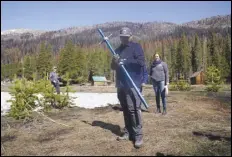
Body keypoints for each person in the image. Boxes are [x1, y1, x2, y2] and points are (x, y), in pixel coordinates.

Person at [111, 27, 145, 148]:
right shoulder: (117, 50)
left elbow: (141, 62)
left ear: (130, 36)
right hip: (121, 84)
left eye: (126, 37)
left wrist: (125, 61)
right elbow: (113, 67)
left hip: (133, 84)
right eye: (122, 37)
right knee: (125, 109)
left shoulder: (136, 47)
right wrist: (115, 62)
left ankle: (138, 135)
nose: (124, 39)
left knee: (133, 109)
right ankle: (128, 132)